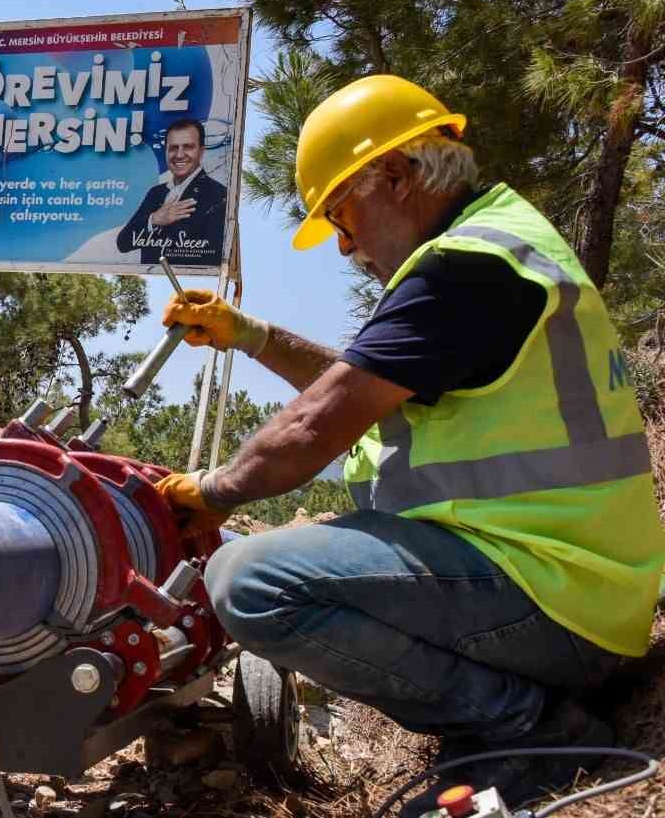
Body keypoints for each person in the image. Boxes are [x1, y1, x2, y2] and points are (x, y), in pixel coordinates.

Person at [149, 75, 662, 817]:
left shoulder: (467, 268)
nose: (346, 246)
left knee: (248, 580)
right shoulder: (496, 246)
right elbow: (360, 383)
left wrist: (212, 490)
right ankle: (506, 718)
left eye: (341, 213)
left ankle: (526, 730)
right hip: (577, 591)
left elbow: (317, 423)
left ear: (394, 174)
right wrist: (248, 333)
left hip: (553, 603)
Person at [115, 117, 227, 264]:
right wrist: (154, 219)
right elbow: (123, 243)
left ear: (201, 151)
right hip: (152, 277)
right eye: (173, 148)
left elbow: (213, 258)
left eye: (188, 147)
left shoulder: (218, 196)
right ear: (166, 151)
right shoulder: (156, 192)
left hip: (186, 279)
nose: (179, 155)